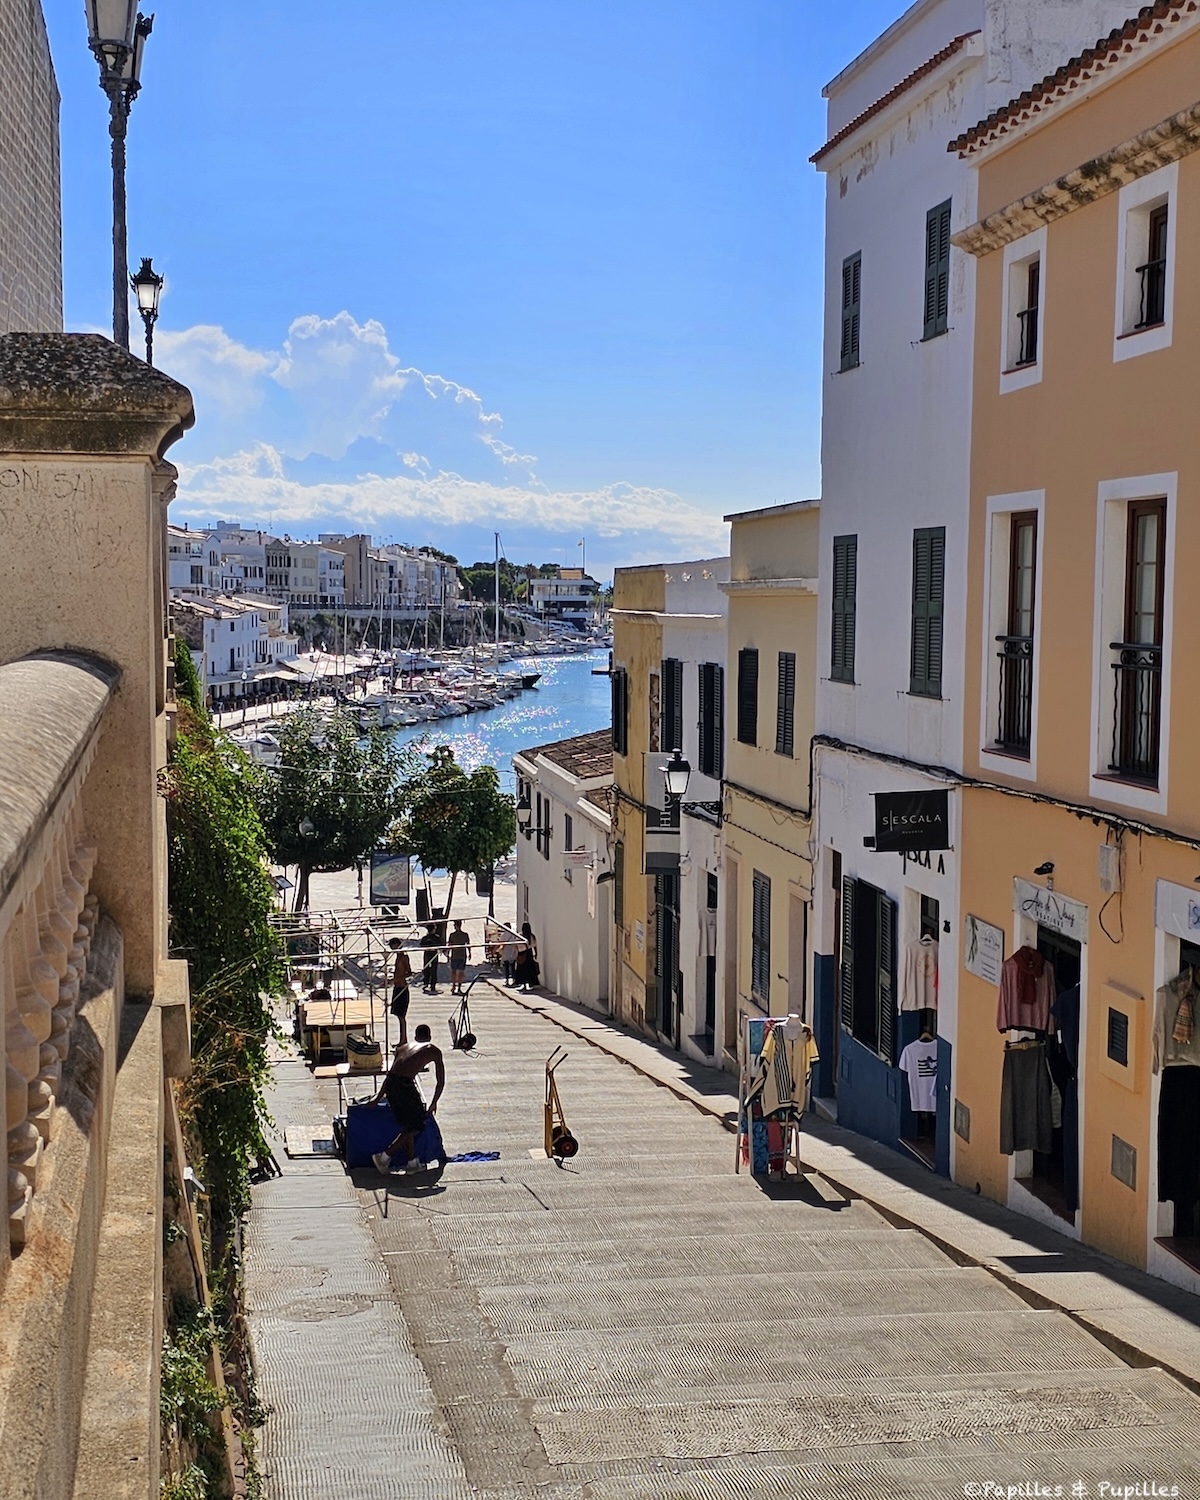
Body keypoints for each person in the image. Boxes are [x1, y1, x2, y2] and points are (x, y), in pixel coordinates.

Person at [371, 1024, 445, 1174]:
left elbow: (390, 1076)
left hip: (392, 1085)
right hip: (403, 1085)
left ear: (415, 1037)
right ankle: (385, 1156)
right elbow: (440, 1081)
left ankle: (412, 1163)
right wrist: (433, 1103)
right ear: (429, 1037)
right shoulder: (433, 1050)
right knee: (417, 1124)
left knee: (408, 1126)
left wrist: (378, 1097)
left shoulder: (402, 1047)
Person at [387, 937, 414, 1043]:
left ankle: (404, 1039)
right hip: (397, 987)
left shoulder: (403, 957)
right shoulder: (397, 957)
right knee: (398, 1016)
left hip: (402, 988)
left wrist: (395, 979)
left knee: (402, 1016)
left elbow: (409, 973)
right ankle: (402, 1039)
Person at [515, 922, 540, 992]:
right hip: (529, 954)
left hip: (522, 953)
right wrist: (536, 953)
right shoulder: (532, 936)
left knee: (522, 969)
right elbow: (534, 946)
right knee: (529, 969)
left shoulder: (520, 936)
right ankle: (529, 983)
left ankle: (523, 983)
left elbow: (516, 945)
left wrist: (516, 953)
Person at [447, 919, 469, 996]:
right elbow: (468, 945)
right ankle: (459, 987)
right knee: (461, 972)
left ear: (455, 926)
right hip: (462, 955)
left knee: (453, 971)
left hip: (455, 955)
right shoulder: (465, 935)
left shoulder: (452, 935)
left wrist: (448, 953)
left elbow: (449, 945)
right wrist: (469, 953)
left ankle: (453, 986)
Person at [421, 923, 441, 994]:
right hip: (433, 955)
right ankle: (432, 985)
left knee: (427, 969)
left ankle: (426, 983)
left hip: (427, 955)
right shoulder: (436, 937)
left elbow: (421, 945)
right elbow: (439, 945)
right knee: (433, 970)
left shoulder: (425, 938)